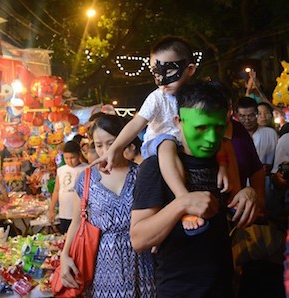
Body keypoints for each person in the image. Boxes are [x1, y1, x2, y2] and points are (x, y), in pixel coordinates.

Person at [130, 80, 257, 297]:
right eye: (201, 128)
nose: (210, 138)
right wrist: (182, 203)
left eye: (218, 127)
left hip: (224, 287)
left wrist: (249, 194)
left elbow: (236, 211)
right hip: (179, 290)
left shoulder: (224, 160)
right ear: (179, 122)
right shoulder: (156, 166)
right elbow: (139, 239)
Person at [92, 36, 228, 233]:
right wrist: (115, 149)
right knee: (167, 143)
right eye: (157, 72)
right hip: (158, 145)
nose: (162, 80)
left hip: (185, 152)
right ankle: (184, 199)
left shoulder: (196, 96)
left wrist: (223, 164)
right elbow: (136, 124)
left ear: (189, 70)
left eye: (170, 71)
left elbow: (217, 132)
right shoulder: (157, 97)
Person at [60, 114, 156, 297]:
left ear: (124, 139)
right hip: (102, 266)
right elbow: (76, 223)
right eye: (98, 145)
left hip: (142, 263)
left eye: (111, 143)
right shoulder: (86, 179)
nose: (105, 150)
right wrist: (65, 255)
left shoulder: (142, 175)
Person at [48, 140, 87, 234]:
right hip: (64, 213)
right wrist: (51, 209)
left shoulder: (86, 169)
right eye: (66, 158)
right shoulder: (61, 170)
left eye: (72, 157)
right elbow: (56, 190)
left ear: (79, 154)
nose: (70, 161)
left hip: (81, 214)